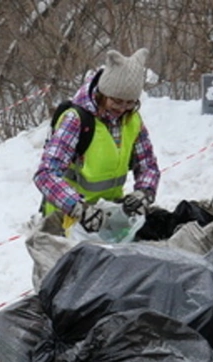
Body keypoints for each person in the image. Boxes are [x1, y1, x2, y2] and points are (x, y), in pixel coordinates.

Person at [34, 48, 160, 234]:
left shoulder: (132, 121)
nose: (123, 109)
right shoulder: (77, 120)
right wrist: (78, 208)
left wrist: (145, 191)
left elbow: (148, 165)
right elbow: (45, 174)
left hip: (108, 218)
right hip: (66, 220)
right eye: (117, 101)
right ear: (103, 93)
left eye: (130, 102)